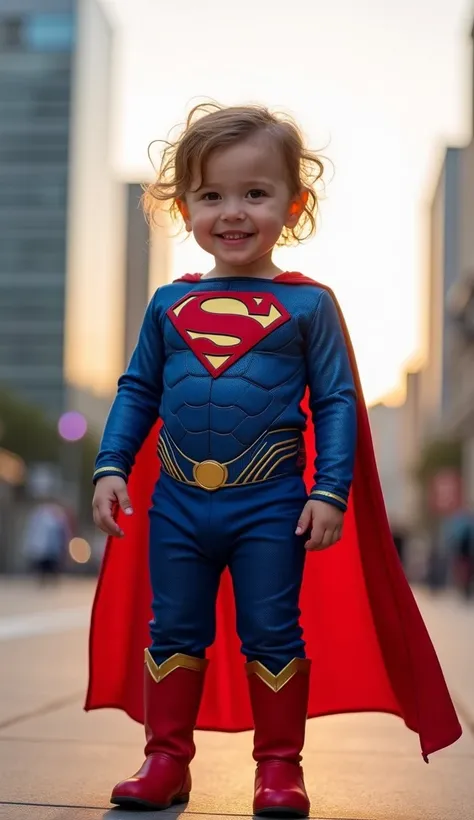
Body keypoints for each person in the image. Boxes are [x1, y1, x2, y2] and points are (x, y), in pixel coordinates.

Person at [88, 103, 461, 816]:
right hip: (177, 500)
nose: (233, 212)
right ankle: (166, 759)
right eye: (211, 196)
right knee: (173, 629)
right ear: (184, 206)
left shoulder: (310, 306)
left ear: (295, 205)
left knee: (271, 628)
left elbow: (337, 402)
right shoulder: (169, 305)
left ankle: (279, 768)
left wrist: (331, 489)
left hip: (270, 502)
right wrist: (110, 465)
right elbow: (138, 390)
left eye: (254, 194)